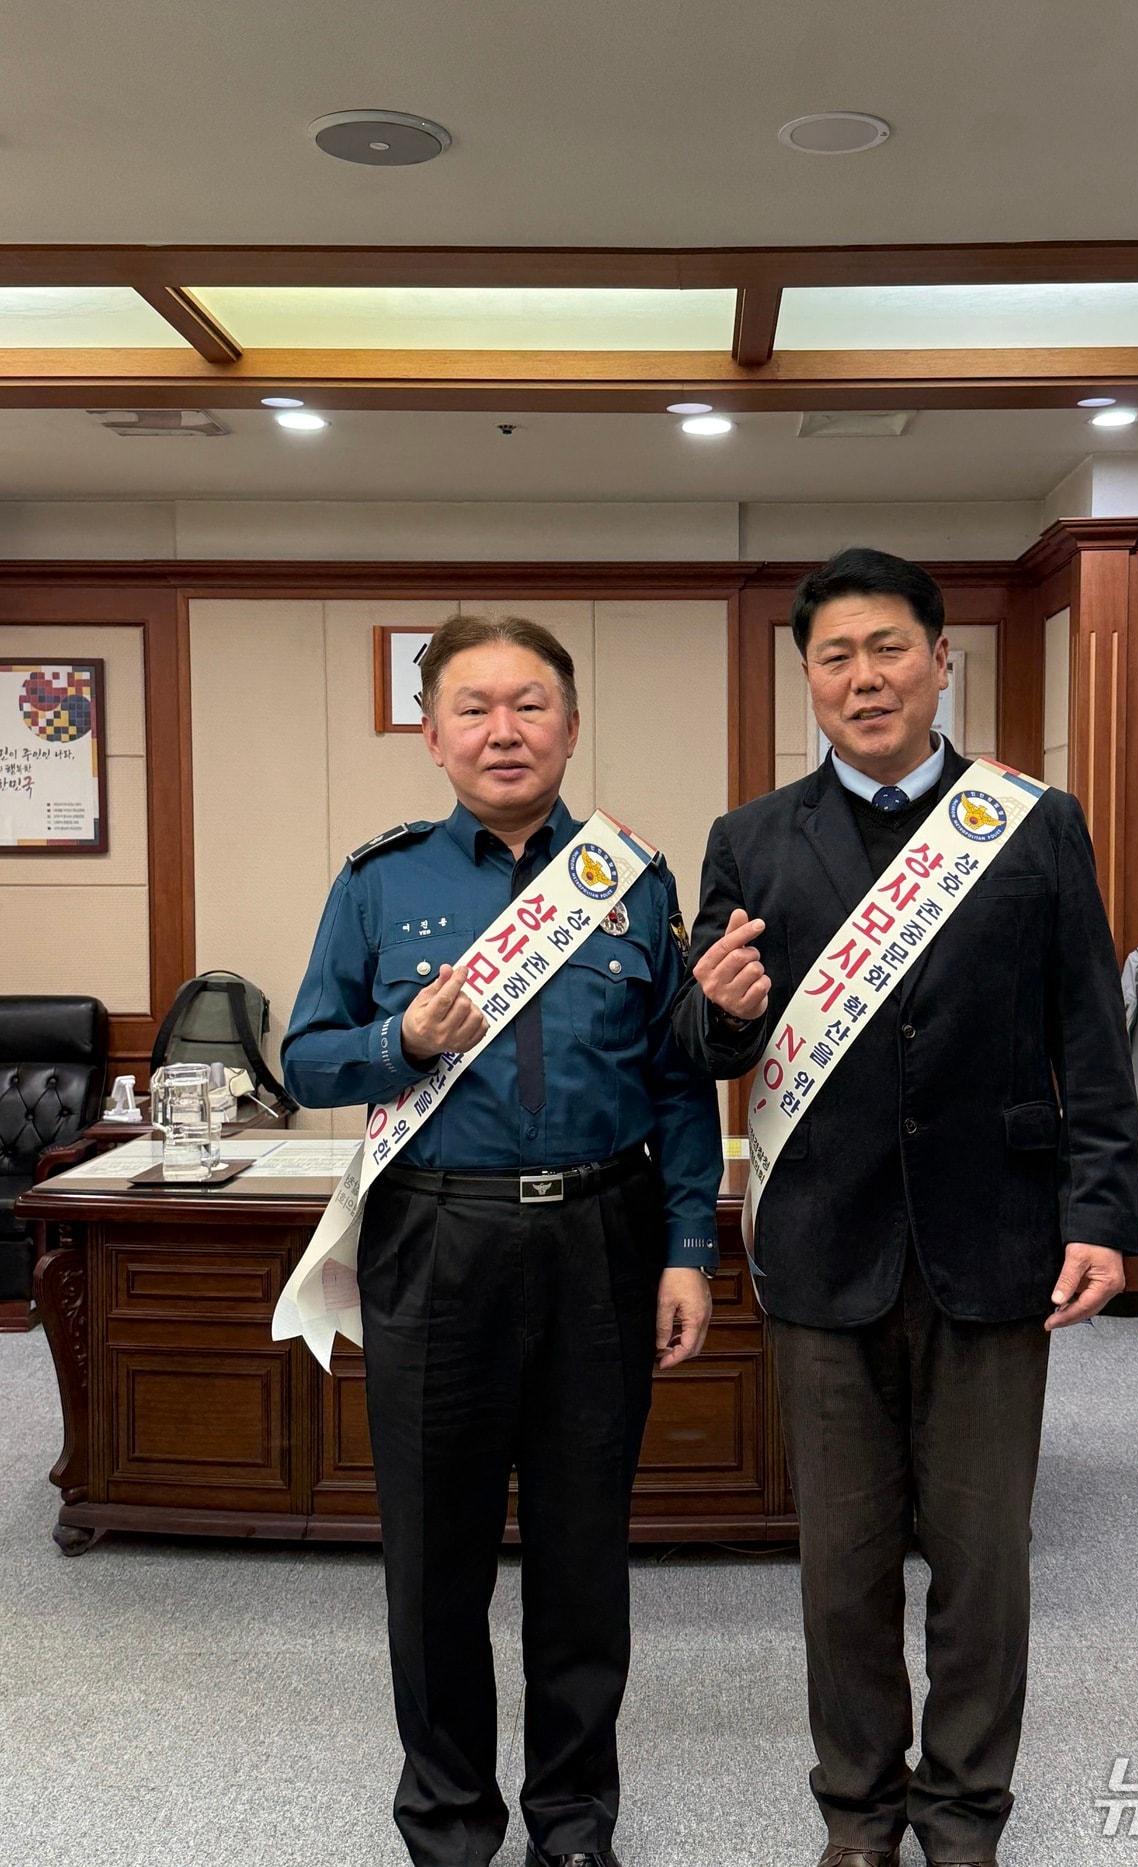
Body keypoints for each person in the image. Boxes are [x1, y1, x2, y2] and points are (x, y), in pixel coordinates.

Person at [672, 547, 1138, 1867]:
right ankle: (860, 1808)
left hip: (996, 1243)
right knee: (844, 1567)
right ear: (809, 680)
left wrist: (1101, 1208)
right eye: (835, 656)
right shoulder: (753, 838)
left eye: (889, 648)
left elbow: (1089, 1035)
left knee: (986, 1563)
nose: (864, 677)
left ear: (943, 659)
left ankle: (966, 1807)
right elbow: (707, 1044)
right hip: (825, 1247)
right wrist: (715, 1009)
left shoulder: (1032, 824)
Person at [282, 614, 721, 1867]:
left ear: (569, 728)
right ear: (431, 736)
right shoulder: (381, 882)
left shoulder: (632, 882)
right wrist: (398, 1044)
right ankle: (449, 1825)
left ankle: (574, 1823)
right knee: (434, 1556)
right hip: (436, 1240)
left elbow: (678, 1079)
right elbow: (305, 1057)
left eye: (529, 705)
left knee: (583, 1554)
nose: (502, 730)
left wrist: (687, 1244)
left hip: (602, 1234)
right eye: (472, 708)